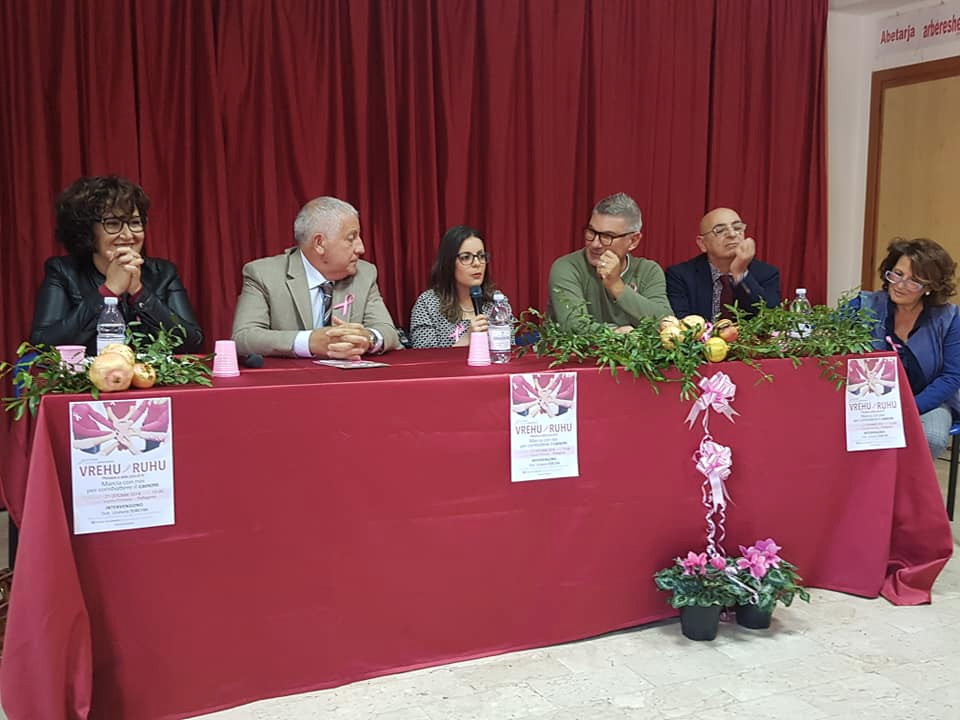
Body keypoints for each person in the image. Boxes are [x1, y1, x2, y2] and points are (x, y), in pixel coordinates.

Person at [30, 175, 203, 355]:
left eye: (135, 223)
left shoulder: (164, 273)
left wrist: (139, 293)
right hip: (90, 373)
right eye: (113, 224)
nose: (128, 235)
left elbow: (193, 342)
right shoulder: (63, 271)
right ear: (87, 231)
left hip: (148, 372)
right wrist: (108, 291)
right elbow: (43, 345)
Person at [232, 196, 400, 358]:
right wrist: (309, 342)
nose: (361, 248)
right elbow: (244, 337)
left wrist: (368, 339)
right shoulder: (263, 274)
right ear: (319, 243)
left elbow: (388, 331)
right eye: (351, 238)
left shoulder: (365, 273)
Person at [853, 238, 960, 459]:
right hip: (869, 402)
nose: (900, 285)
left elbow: (952, 376)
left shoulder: (949, 317)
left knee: (930, 437)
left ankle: (908, 483)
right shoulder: (862, 306)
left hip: (926, 399)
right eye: (897, 274)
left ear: (930, 287)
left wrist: (908, 407)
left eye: (914, 281)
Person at [548, 192, 672, 332]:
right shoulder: (567, 267)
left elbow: (666, 324)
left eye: (607, 236)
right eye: (591, 232)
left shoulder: (648, 271)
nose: (595, 244)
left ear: (633, 241)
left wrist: (616, 286)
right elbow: (574, 326)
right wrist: (617, 334)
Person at [665, 207, 780, 320]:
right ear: (702, 244)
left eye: (737, 228)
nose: (732, 234)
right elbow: (680, 323)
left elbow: (770, 319)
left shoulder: (767, 274)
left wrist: (740, 274)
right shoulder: (680, 276)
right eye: (720, 230)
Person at [409, 225, 511, 348]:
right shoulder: (428, 304)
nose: (477, 263)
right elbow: (423, 356)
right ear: (449, 263)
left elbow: (509, 350)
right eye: (466, 257)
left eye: (481, 256)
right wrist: (467, 339)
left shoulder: (497, 302)